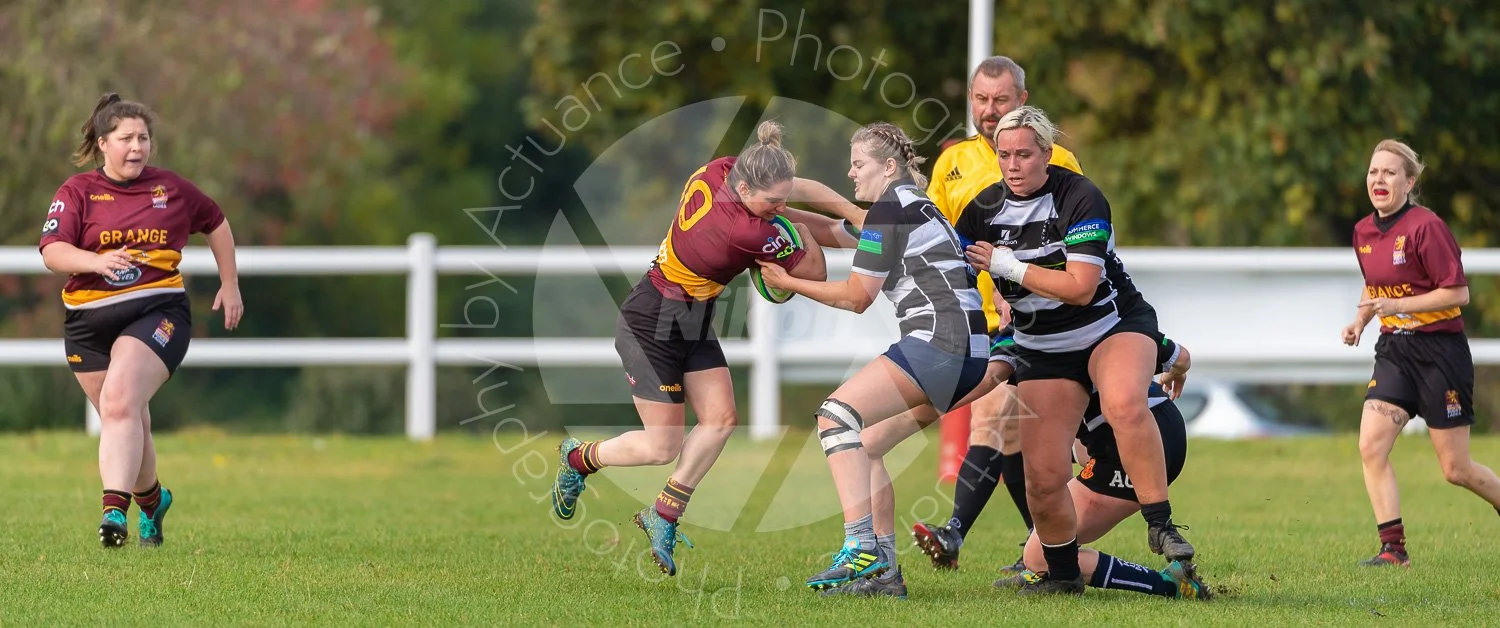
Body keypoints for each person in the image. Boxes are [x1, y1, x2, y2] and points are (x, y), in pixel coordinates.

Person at [547, 121, 857, 577]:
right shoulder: (745, 232)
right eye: (773, 202)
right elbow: (813, 271)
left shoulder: (721, 169)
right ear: (747, 187)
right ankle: (579, 458)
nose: (781, 207)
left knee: (721, 420)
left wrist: (850, 221)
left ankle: (664, 514)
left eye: (783, 197)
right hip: (651, 323)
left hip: (689, 318)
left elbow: (792, 196)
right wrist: (835, 226)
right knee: (661, 446)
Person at [964, 105, 1194, 595]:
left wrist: (1005, 265)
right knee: (1042, 480)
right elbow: (942, 260)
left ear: (1048, 154)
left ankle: (1162, 525)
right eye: (1003, 155)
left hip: (1108, 326)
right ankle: (1066, 579)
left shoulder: (1080, 195)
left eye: (1024, 154)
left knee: (1121, 400)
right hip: (1047, 350)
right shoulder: (983, 209)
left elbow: (1082, 287)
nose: (1012, 165)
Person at [755, 122, 989, 593]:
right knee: (868, 444)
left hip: (941, 344)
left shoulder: (889, 210)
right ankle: (884, 573)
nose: (850, 171)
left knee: (834, 418)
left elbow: (857, 297)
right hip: (969, 352)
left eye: (858, 163)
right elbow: (834, 230)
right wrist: (777, 215)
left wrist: (789, 283)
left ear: (888, 166)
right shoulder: (909, 207)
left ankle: (861, 547)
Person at [39, 93, 243, 548]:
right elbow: (53, 252)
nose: (137, 147)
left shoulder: (169, 189)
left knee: (119, 405)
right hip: (87, 325)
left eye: (144, 138)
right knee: (128, 421)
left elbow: (217, 223)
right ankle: (153, 502)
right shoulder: (76, 193)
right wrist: (96, 262)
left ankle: (114, 515)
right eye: (126, 138)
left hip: (158, 313)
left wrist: (229, 284)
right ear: (102, 144)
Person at [914, 55, 1086, 573]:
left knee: (998, 425)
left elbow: (1072, 244)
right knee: (1013, 440)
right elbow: (937, 241)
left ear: (1023, 103)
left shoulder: (1058, 161)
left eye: (1001, 101)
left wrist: (1020, 281)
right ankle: (1040, 547)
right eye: (981, 100)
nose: (989, 112)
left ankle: (956, 533)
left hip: (1041, 321)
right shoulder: (953, 164)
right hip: (979, 322)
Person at [1342, 139, 1500, 567]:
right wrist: (1360, 321)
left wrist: (1399, 306)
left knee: (1456, 470)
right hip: (1395, 350)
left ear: (1409, 182)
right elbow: (1375, 286)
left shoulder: (1427, 228)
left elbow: (1459, 293)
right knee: (1371, 446)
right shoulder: (1363, 232)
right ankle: (1393, 550)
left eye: (1390, 173)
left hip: (1439, 354)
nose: (1379, 179)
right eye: (1374, 172)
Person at [989, 363, 1209, 600]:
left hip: (1136, 444)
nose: (1002, 322)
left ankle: (1169, 583)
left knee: (1039, 555)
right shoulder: (1076, 329)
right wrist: (1177, 368)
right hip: (1163, 420)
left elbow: (979, 380)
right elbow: (1178, 353)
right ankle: (1047, 568)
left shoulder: (1025, 341)